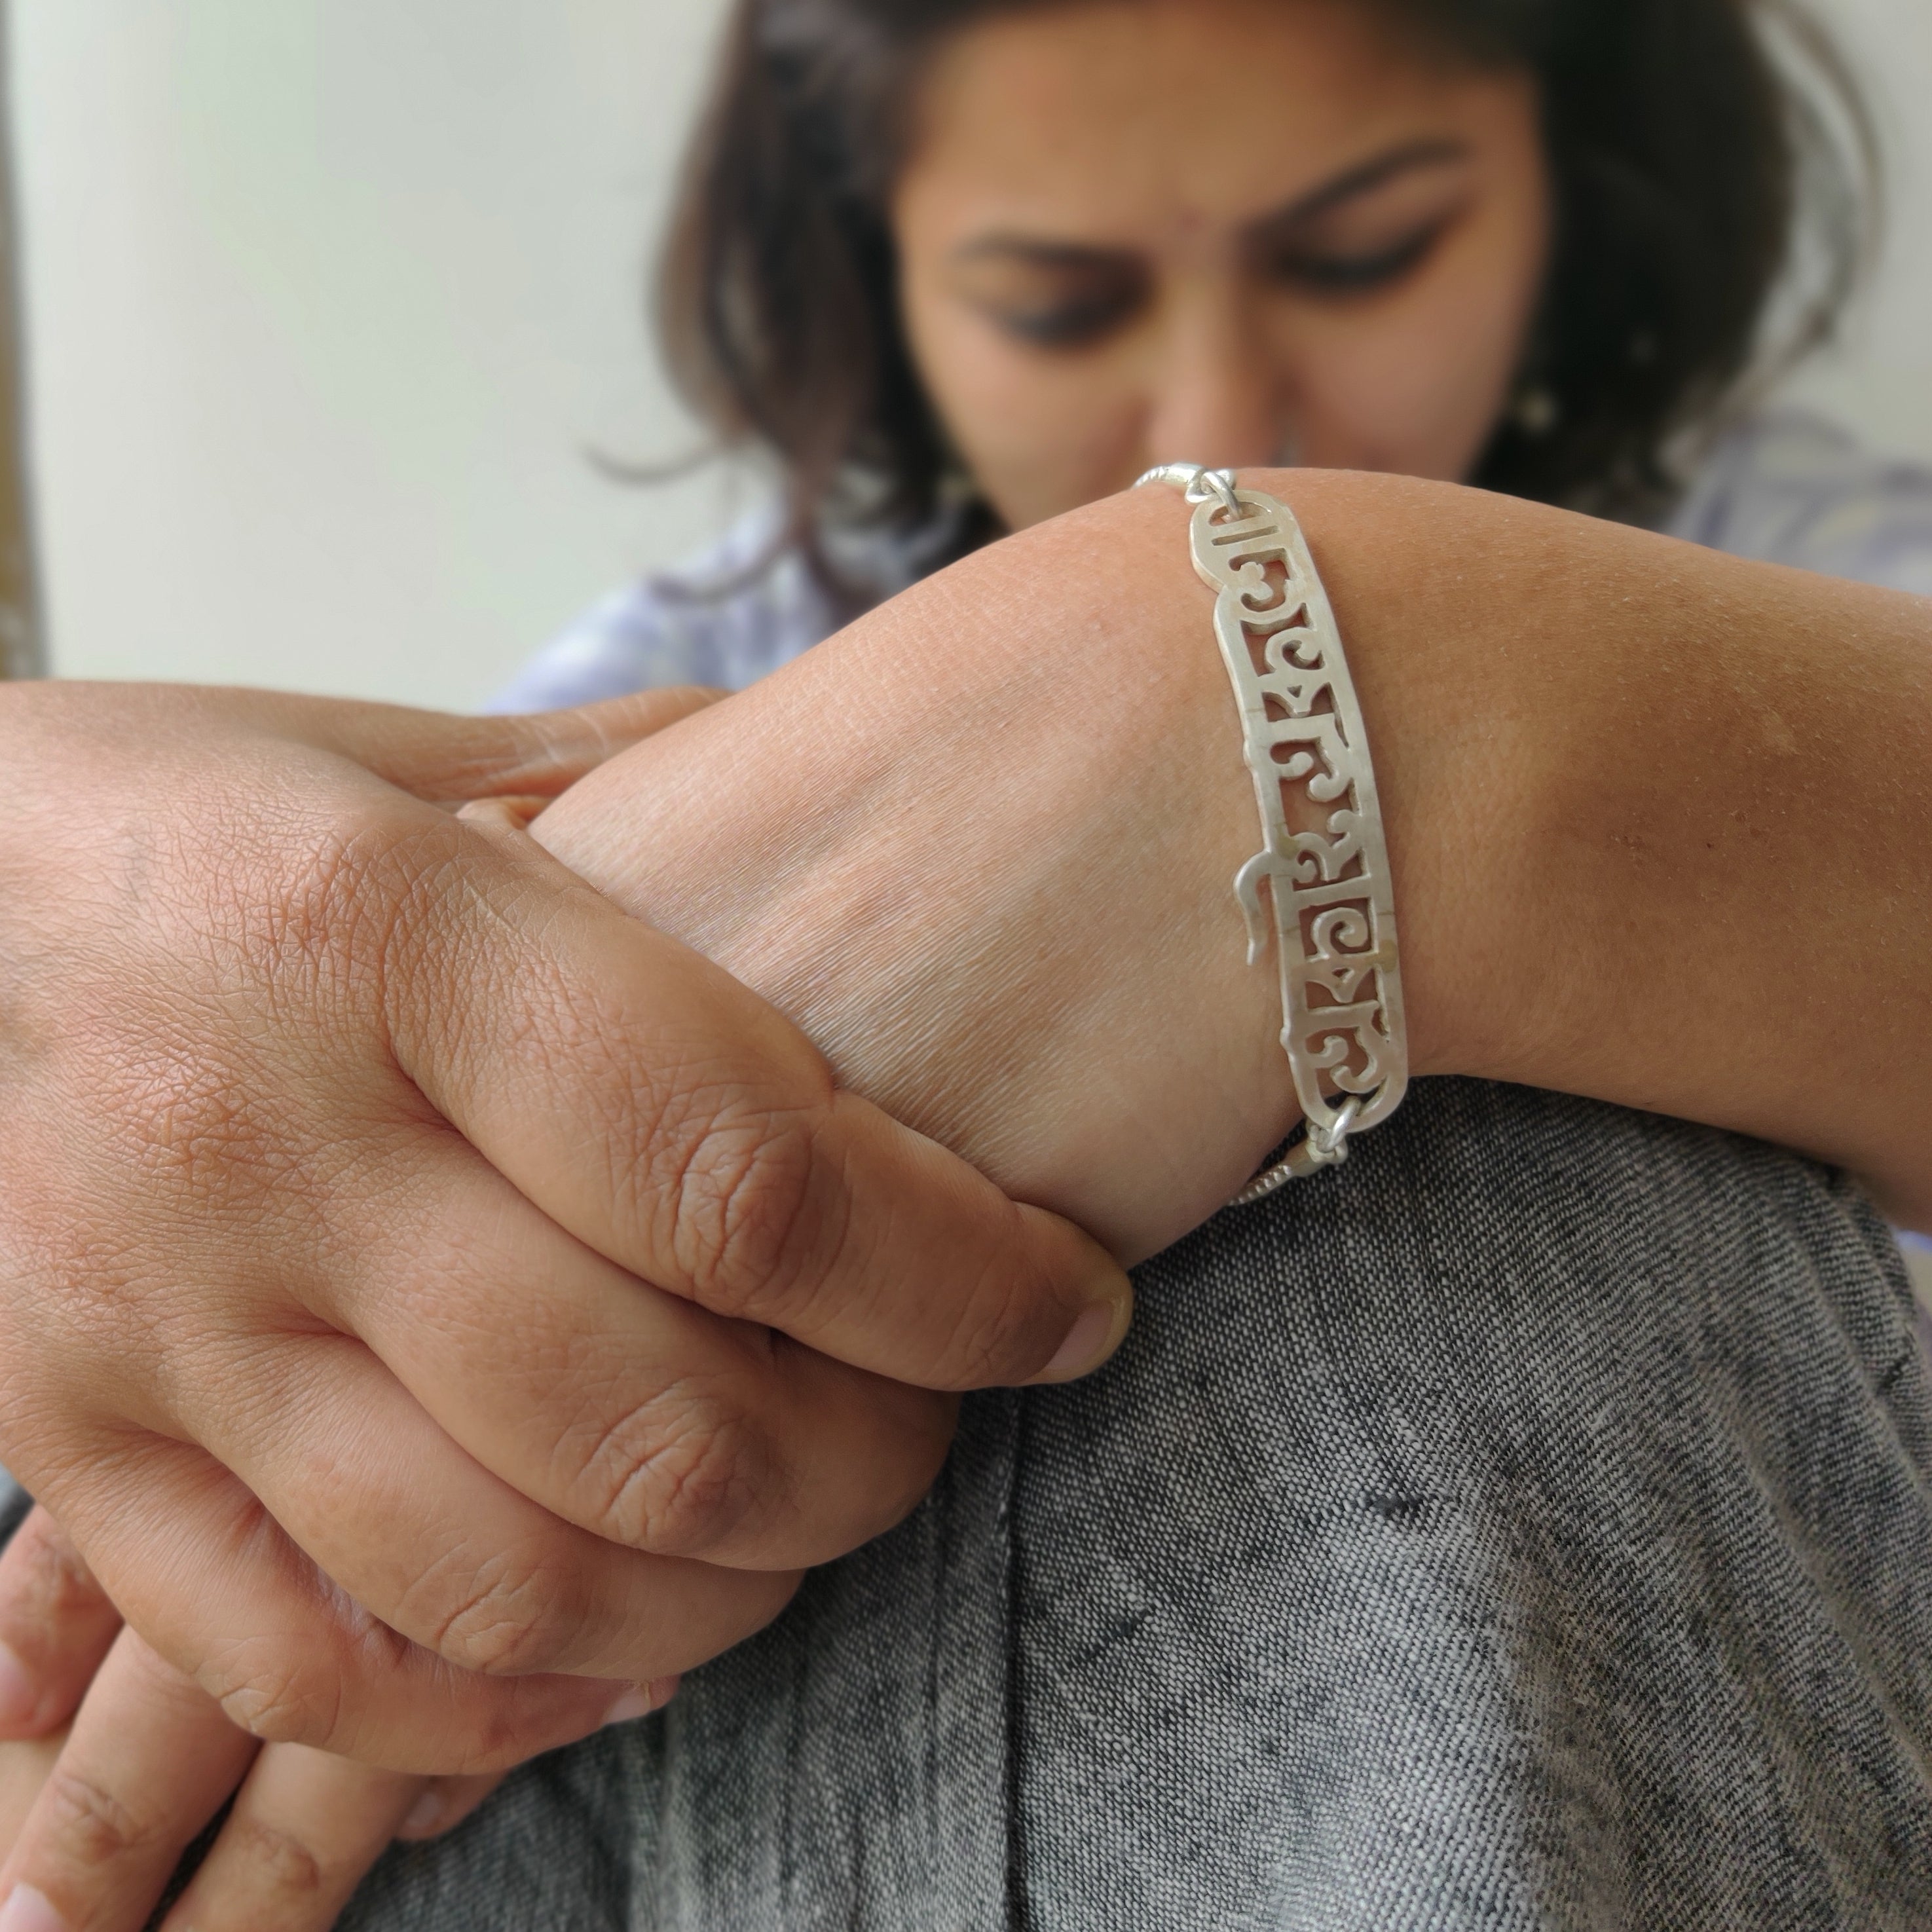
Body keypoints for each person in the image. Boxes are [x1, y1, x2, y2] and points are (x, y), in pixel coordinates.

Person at [0, 0, 1927, 1925]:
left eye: (1364, 256)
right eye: (1060, 306)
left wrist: (1320, 672)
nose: (1214, 420)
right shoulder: (676, 667)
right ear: (880, 268)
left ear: (1576, 175)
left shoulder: (1835, 576)